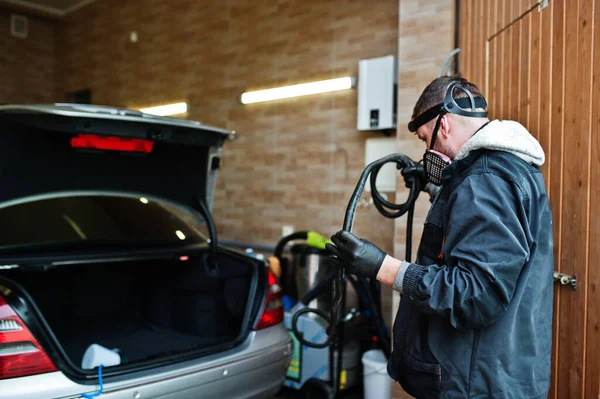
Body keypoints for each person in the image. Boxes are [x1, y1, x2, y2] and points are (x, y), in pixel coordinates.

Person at [327, 75, 554, 398]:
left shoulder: (486, 179)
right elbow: (475, 226)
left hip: (476, 384)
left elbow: (476, 292)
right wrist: (434, 187)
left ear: (443, 126)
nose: (427, 151)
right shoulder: (504, 170)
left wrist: (381, 266)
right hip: (496, 372)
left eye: (424, 140)